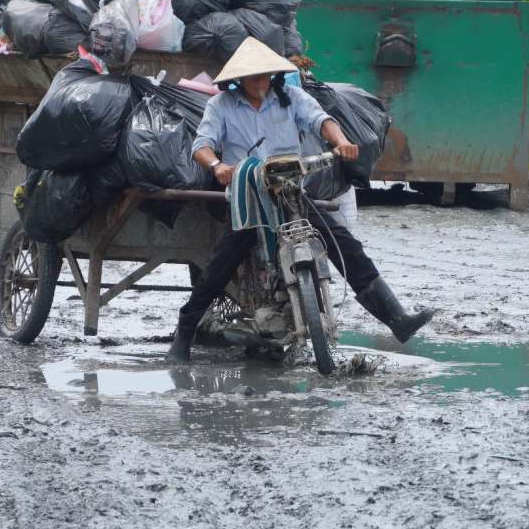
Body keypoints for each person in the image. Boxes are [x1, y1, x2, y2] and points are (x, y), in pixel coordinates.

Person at [166, 38, 434, 362]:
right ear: (239, 79)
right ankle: (185, 330)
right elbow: (202, 145)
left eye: (265, 76)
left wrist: (341, 141)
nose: (261, 83)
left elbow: (321, 120)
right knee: (221, 265)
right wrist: (217, 166)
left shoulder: (292, 97)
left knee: (343, 243)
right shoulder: (221, 106)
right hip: (248, 199)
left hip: (290, 192)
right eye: (254, 78)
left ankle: (396, 318)